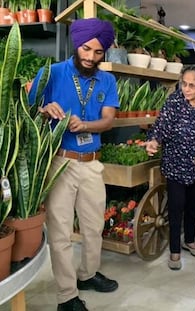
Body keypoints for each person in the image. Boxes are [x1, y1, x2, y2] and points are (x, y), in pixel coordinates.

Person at [28, 18, 119, 311]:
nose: (91, 57)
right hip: (60, 164)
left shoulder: (107, 80)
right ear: (76, 44)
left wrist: (86, 126)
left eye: (98, 52)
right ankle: (66, 295)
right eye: (86, 49)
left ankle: (88, 275)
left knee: (94, 227)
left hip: (92, 164)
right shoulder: (51, 73)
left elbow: (108, 120)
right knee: (61, 232)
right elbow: (28, 111)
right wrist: (44, 110)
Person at [146, 65, 195, 270]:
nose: (186, 89)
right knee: (176, 207)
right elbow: (161, 127)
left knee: (194, 205)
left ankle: (190, 240)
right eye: (184, 84)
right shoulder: (174, 101)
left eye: (192, 85)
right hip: (175, 163)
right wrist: (153, 142)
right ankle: (175, 250)